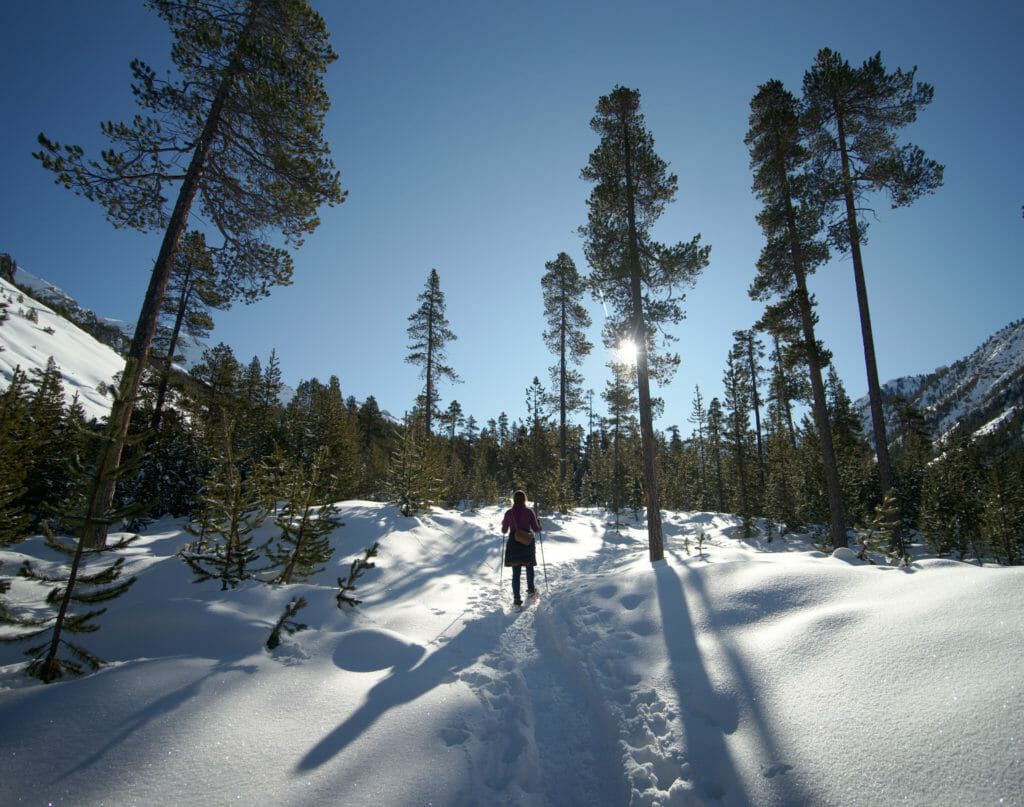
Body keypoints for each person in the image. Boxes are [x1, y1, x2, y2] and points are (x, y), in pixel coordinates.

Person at [501, 490, 541, 606]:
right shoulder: (529, 512)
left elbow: (504, 530)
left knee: (516, 572)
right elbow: (536, 529)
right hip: (527, 542)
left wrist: (506, 524)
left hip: (514, 543)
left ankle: (517, 599)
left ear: (514, 499)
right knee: (529, 567)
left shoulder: (509, 513)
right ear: (524, 499)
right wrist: (539, 526)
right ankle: (531, 590)